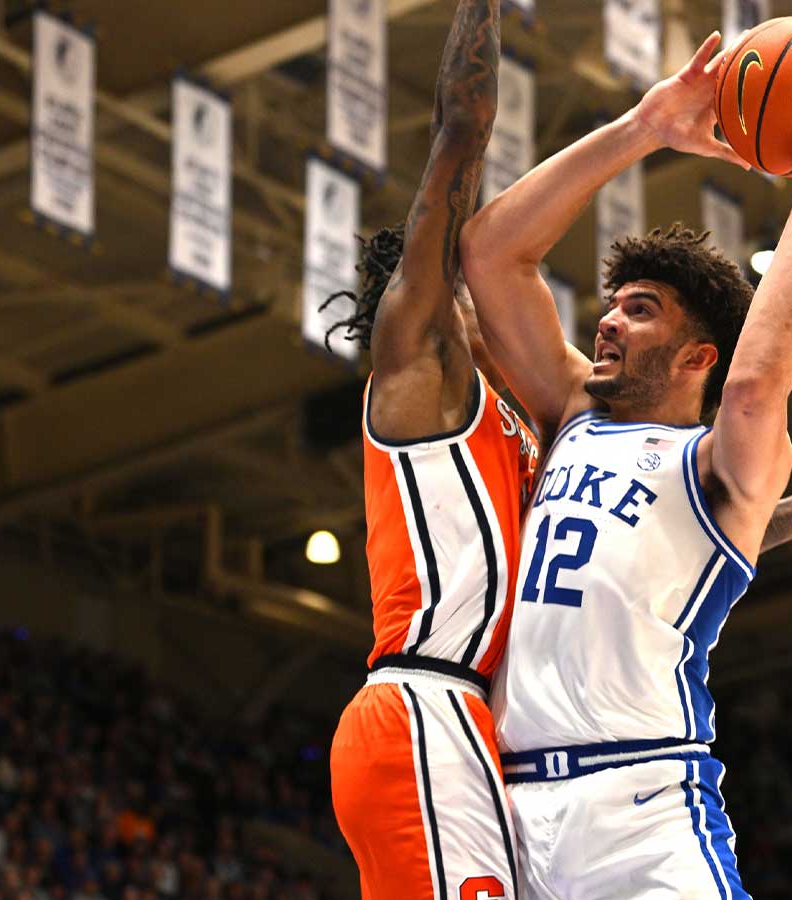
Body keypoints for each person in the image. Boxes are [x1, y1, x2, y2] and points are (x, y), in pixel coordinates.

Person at [460, 33, 792, 899]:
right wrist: (642, 126)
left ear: (699, 356)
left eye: (639, 311)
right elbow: (490, 254)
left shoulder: (726, 463)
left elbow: (756, 389)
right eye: (611, 307)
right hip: (512, 810)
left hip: (643, 813)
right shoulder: (572, 414)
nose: (607, 324)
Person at [322, 2, 535, 898]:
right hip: (421, 703)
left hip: (464, 720)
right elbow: (462, 124)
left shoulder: (515, 420)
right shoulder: (417, 368)